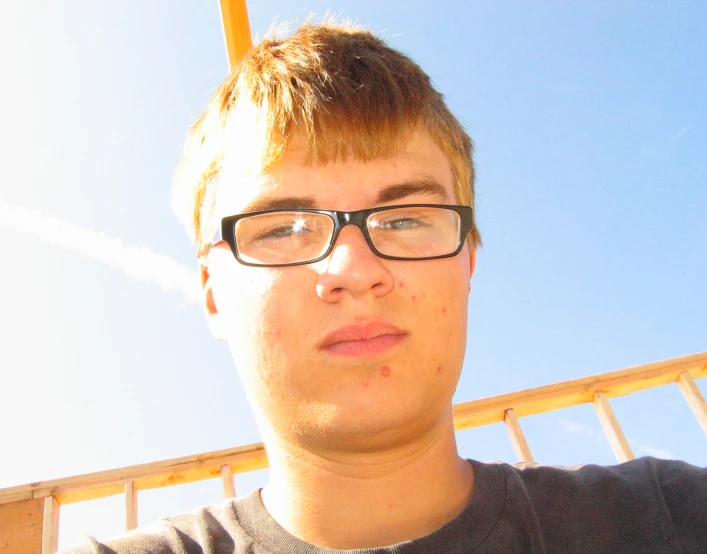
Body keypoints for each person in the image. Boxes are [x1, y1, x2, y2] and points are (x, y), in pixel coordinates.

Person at [64, 21, 706, 554]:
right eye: (283, 229)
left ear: (469, 261)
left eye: (403, 219)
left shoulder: (672, 520)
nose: (353, 268)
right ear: (211, 291)